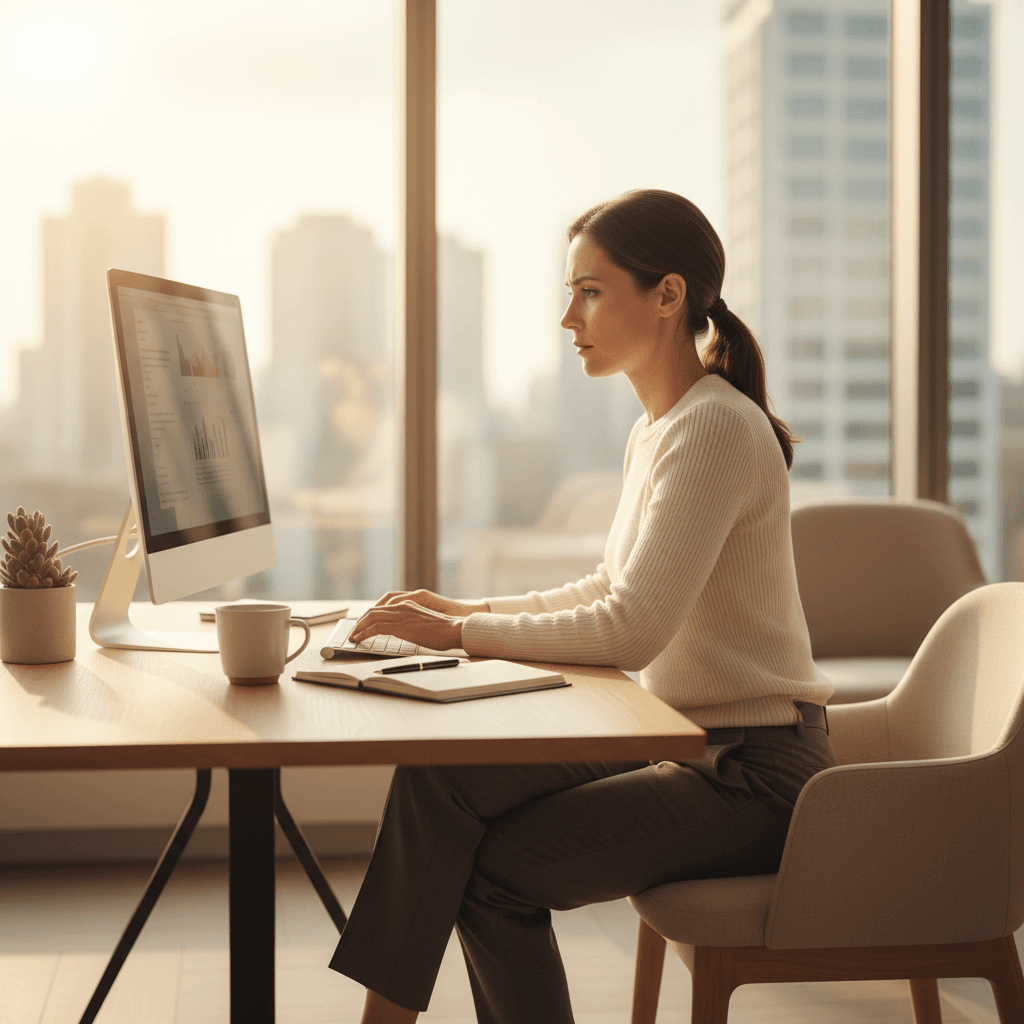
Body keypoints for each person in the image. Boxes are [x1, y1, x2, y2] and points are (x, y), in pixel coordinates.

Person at [328, 189, 836, 1024]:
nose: (570, 317)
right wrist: (465, 608)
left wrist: (460, 633)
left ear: (668, 295)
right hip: (683, 736)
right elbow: (608, 588)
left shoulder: (713, 427)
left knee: (488, 871)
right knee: (437, 780)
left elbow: (631, 628)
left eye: (591, 291)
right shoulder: (661, 428)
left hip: (754, 772)